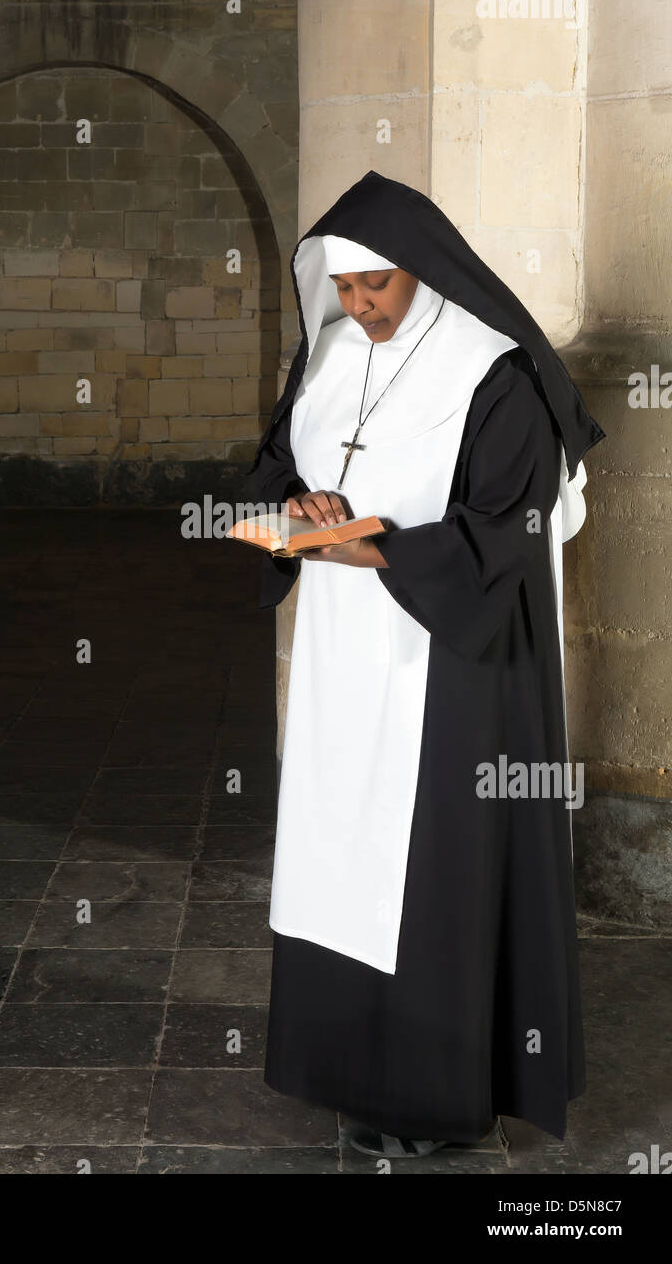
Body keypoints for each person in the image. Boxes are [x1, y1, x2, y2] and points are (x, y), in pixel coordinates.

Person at [249, 170, 605, 1158]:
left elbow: (509, 530)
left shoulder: (496, 375)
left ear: (426, 271)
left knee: (430, 871)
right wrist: (305, 506)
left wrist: (384, 548)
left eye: (378, 288)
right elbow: (280, 459)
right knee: (337, 847)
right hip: (340, 655)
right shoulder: (326, 353)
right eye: (348, 288)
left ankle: (438, 1100)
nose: (360, 308)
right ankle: (342, 1068)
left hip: (448, 668)